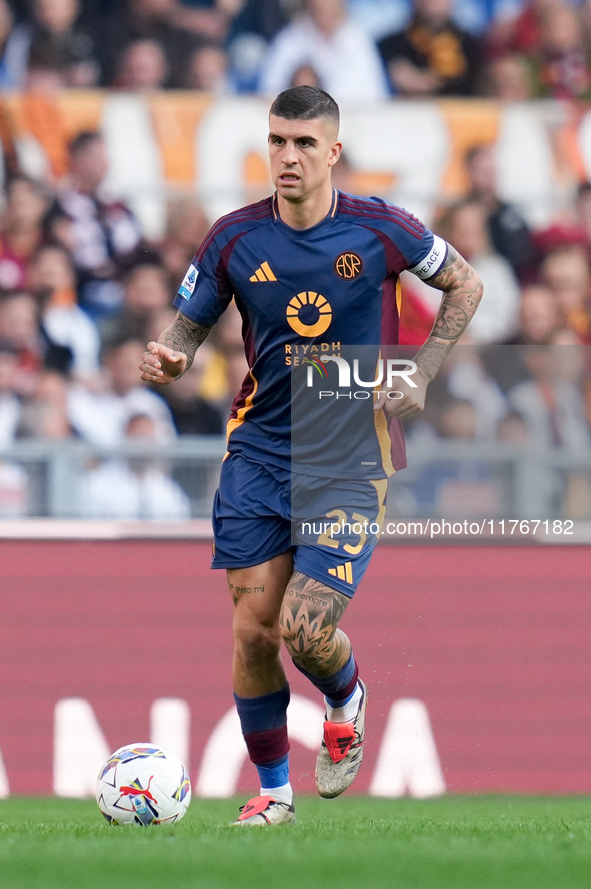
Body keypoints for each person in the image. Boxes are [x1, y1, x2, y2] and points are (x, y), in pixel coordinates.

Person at [141, 85, 483, 825]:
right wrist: (168, 356)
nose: (287, 156)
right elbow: (186, 326)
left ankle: (345, 696)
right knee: (253, 630)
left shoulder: (381, 229)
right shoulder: (233, 237)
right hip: (258, 452)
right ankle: (273, 795)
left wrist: (420, 372)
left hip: (349, 457)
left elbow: (465, 282)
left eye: (302, 144)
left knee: (305, 628)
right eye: (276, 141)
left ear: (333, 151)